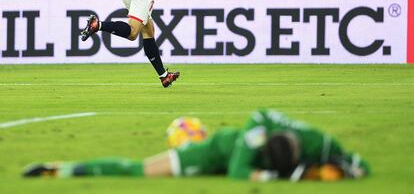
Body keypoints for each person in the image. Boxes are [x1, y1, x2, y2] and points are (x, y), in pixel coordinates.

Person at [23, 110, 369, 181]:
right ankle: (60, 169)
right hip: (216, 151)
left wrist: (353, 170)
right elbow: (237, 174)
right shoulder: (252, 141)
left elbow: (358, 163)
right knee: (140, 171)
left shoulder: (320, 143)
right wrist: (290, 178)